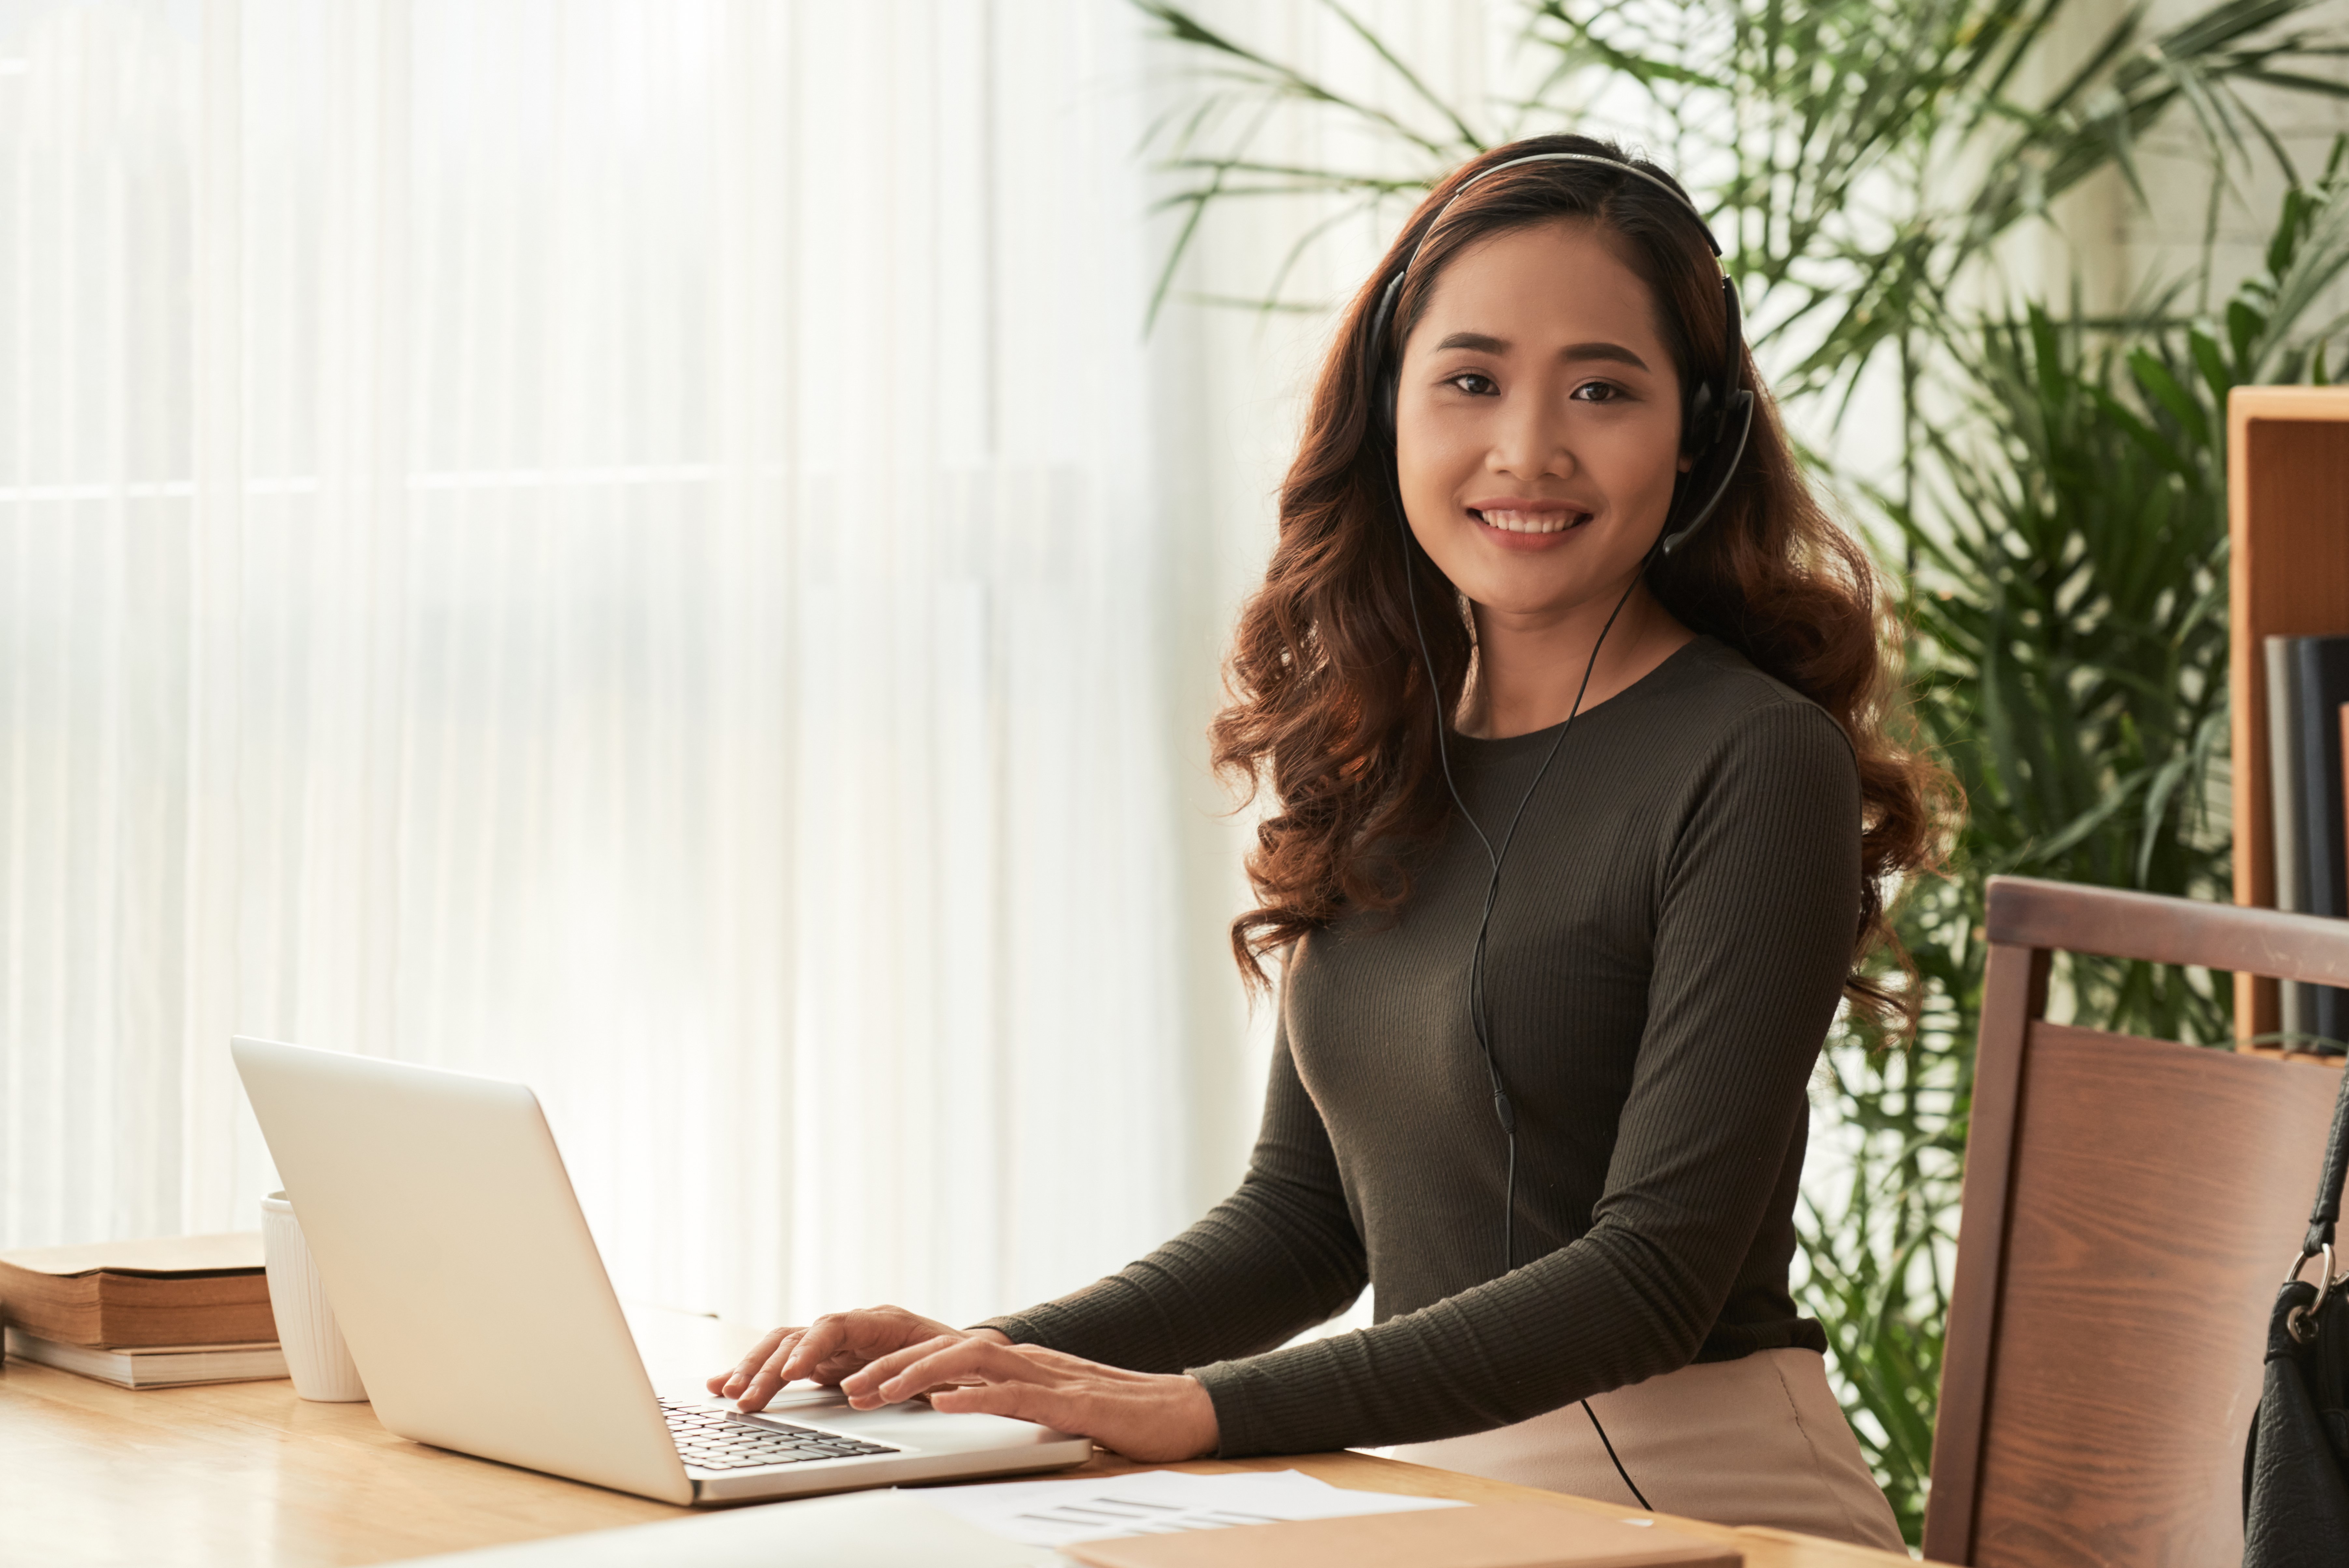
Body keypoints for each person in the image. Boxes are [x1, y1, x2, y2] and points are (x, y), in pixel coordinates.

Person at [709, 134, 1945, 1551]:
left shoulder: (1751, 760)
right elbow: (1305, 1223)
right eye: (1470, 381)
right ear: (1392, 412)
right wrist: (977, 1363)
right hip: (1433, 1479)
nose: (1526, 448)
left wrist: (1207, 1408)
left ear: (1699, 433)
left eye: (1602, 389)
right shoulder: (1379, 739)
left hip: (1693, 1490)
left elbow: (1651, 1275)